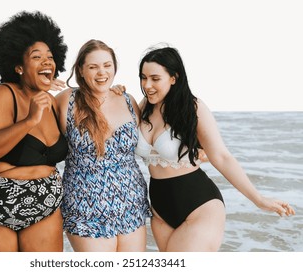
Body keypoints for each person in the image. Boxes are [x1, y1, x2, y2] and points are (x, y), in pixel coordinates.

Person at [113, 45, 295, 252]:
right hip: (160, 208)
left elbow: (222, 156)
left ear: (174, 77)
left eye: (155, 78)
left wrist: (259, 199)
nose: (147, 85)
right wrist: (114, 94)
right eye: (143, 78)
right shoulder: (144, 106)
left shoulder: (193, 108)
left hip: (198, 204)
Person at [0, 11, 68, 252]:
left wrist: (116, 91)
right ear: (18, 66)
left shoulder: (52, 101)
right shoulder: (2, 95)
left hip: (45, 206)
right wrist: (29, 121)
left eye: (50, 57)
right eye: (37, 57)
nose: (47, 62)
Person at [55, 39, 151, 252]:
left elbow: (156, 133)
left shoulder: (128, 100)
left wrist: (197, 150)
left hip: (130, 203)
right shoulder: (66, 101)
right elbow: (38, 136)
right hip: (84, 207)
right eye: (93, 66)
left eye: (107, 65)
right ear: (80, 69)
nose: (101, 72)